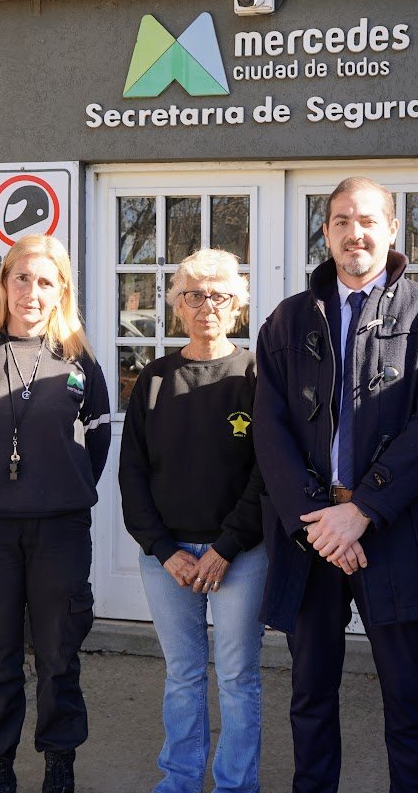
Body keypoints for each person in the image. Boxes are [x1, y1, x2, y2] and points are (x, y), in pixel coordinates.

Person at [254, 176, 418, 793]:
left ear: (392, 229)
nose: (356, 233)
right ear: (326, 233)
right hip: (312, 535)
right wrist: (320, 519)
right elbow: (269, 428)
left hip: (396, 529)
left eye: (368, 220)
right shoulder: (288, 320)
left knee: (408, 697)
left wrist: (364, 509)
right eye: (343, 221)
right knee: (309, 696)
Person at [0, 234, 111, 793]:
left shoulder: (79, 359)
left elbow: (98, 443)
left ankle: (60, 763)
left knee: (60, 653)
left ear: (61, 290)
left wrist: (62, 488)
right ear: (4, 284)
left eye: (45, 281)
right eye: (21, 278)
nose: (31, 292)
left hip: (61, 530)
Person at [120, 248, 266, 793]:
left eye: (221, 295)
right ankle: (179, 780)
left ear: (238, 306)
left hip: (241, 556)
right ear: (178, 306)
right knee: (182, 674)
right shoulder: (156, 379)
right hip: (168, 559)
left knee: (237, 676)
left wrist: (227, 547)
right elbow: (132, 473)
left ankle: (235, 785)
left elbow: (267, 474)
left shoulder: (256, 375)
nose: (208, 306)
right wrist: (163, 550)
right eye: (195, 295)